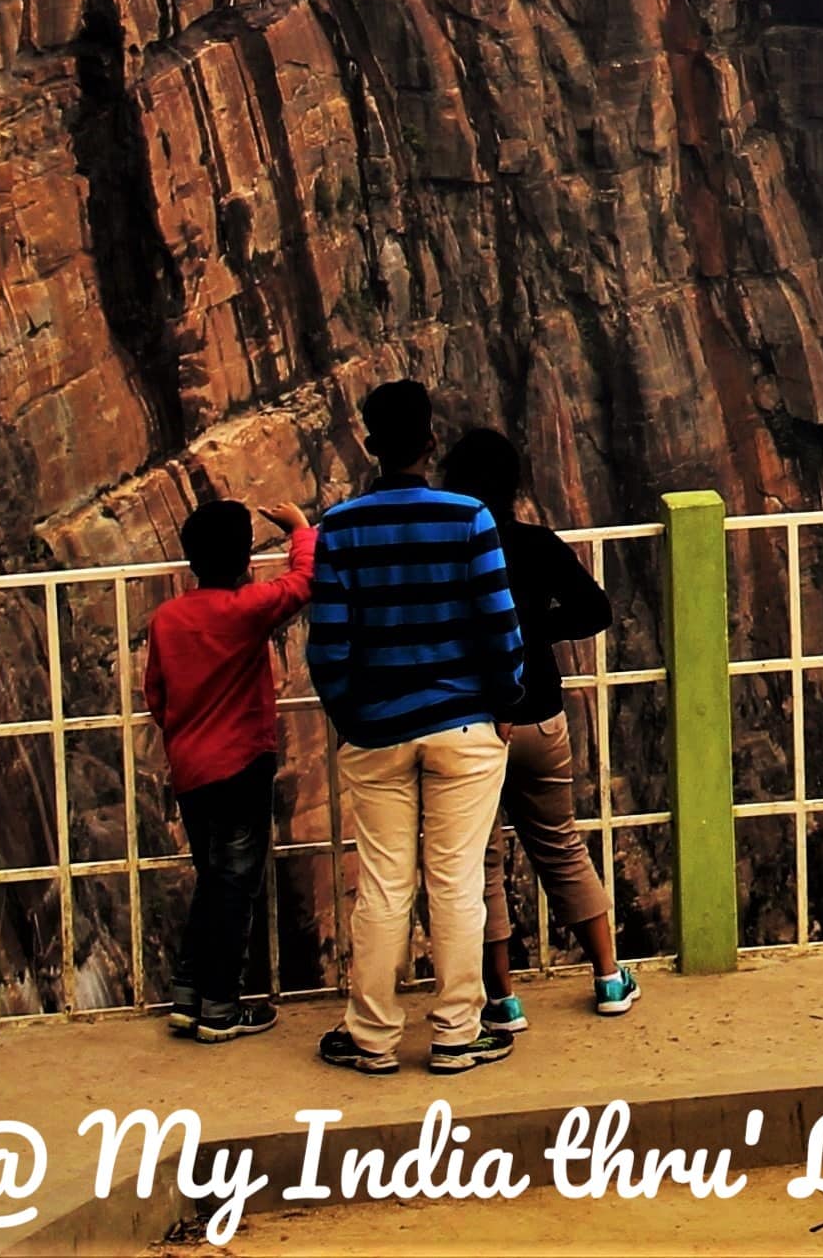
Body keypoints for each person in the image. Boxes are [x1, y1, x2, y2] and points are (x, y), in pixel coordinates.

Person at [303, 379, 535, 1076]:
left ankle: (371, 1037)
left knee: (382, 885)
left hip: (375, 728)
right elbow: (500, 626)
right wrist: (502, 703)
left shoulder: (339, 528)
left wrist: (353, 716)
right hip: (464, 727)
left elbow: (327, 646)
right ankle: (456, 1034)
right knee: (458, 881)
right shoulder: (469, 519)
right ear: (430, 442)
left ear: (370, 445)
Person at [443, 424, 639, 1031]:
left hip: (472, 725)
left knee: (483, 861)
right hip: (541, 716)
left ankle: (501, 1001)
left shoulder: (452, 549)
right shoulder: (537, 544)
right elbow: (595, 609)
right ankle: (608, 977)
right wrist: (536, 633)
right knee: (561, 845)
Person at [144, 496, 313, 1042]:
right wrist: (299, 530)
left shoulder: (166, 619)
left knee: (212, 879)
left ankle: (188, 992)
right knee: (235, 883)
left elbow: (156, 694)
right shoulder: (244, 612)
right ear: (243, 556)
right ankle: (219, 1005)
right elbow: (303, 582)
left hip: (191, 769)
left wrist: (183, 732)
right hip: (241, 763)